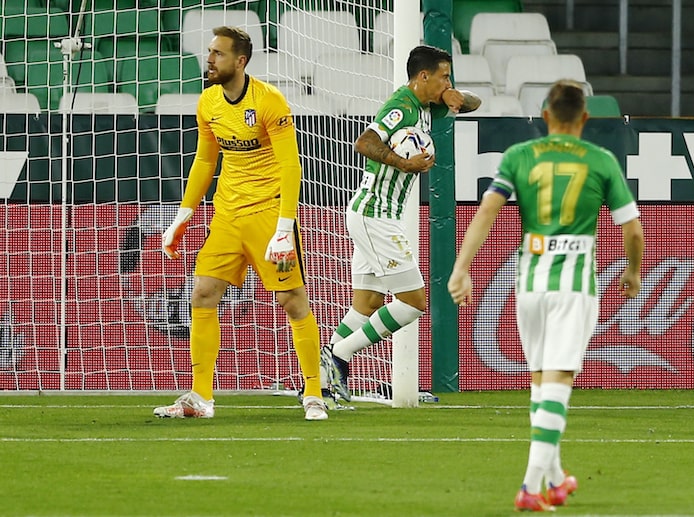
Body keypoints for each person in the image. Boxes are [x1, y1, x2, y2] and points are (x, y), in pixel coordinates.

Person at [448, 80, 644, 511]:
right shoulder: (600, 160)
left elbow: (487, 211)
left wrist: (461, 268)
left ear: (545, 116)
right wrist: (632, 271)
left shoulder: (519, 155)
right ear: (585, 118)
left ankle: (555, 480)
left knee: (541, 381)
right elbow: (632, 230)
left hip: (529, 285)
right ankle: (530, 486)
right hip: (574, 287)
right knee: (558, 381)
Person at [153, 26, 327, 421]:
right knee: (202, 294)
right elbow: (205, 160)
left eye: (218, 53)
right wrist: (183, 215)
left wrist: (284, 228)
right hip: (227, 216)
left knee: (292, 300)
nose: (209, 59)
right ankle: (200, 398)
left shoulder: (269, 101)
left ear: (240, 60)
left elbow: (291, 165)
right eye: (210, 52)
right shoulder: (209, 101)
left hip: (268, 214)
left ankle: (314, 393)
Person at [321, 45, 481, 401]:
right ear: (423, 76)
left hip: (373, 214)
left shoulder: (427, 105)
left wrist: (454, 95)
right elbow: (364, 142)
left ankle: (320, 382)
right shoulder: (402, 106)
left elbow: (474, 103)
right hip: (375, 215)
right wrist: (403, 163)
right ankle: (339, 355)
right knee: (413, 302)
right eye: (443, 77)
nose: (447, 82)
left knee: (366, 304)